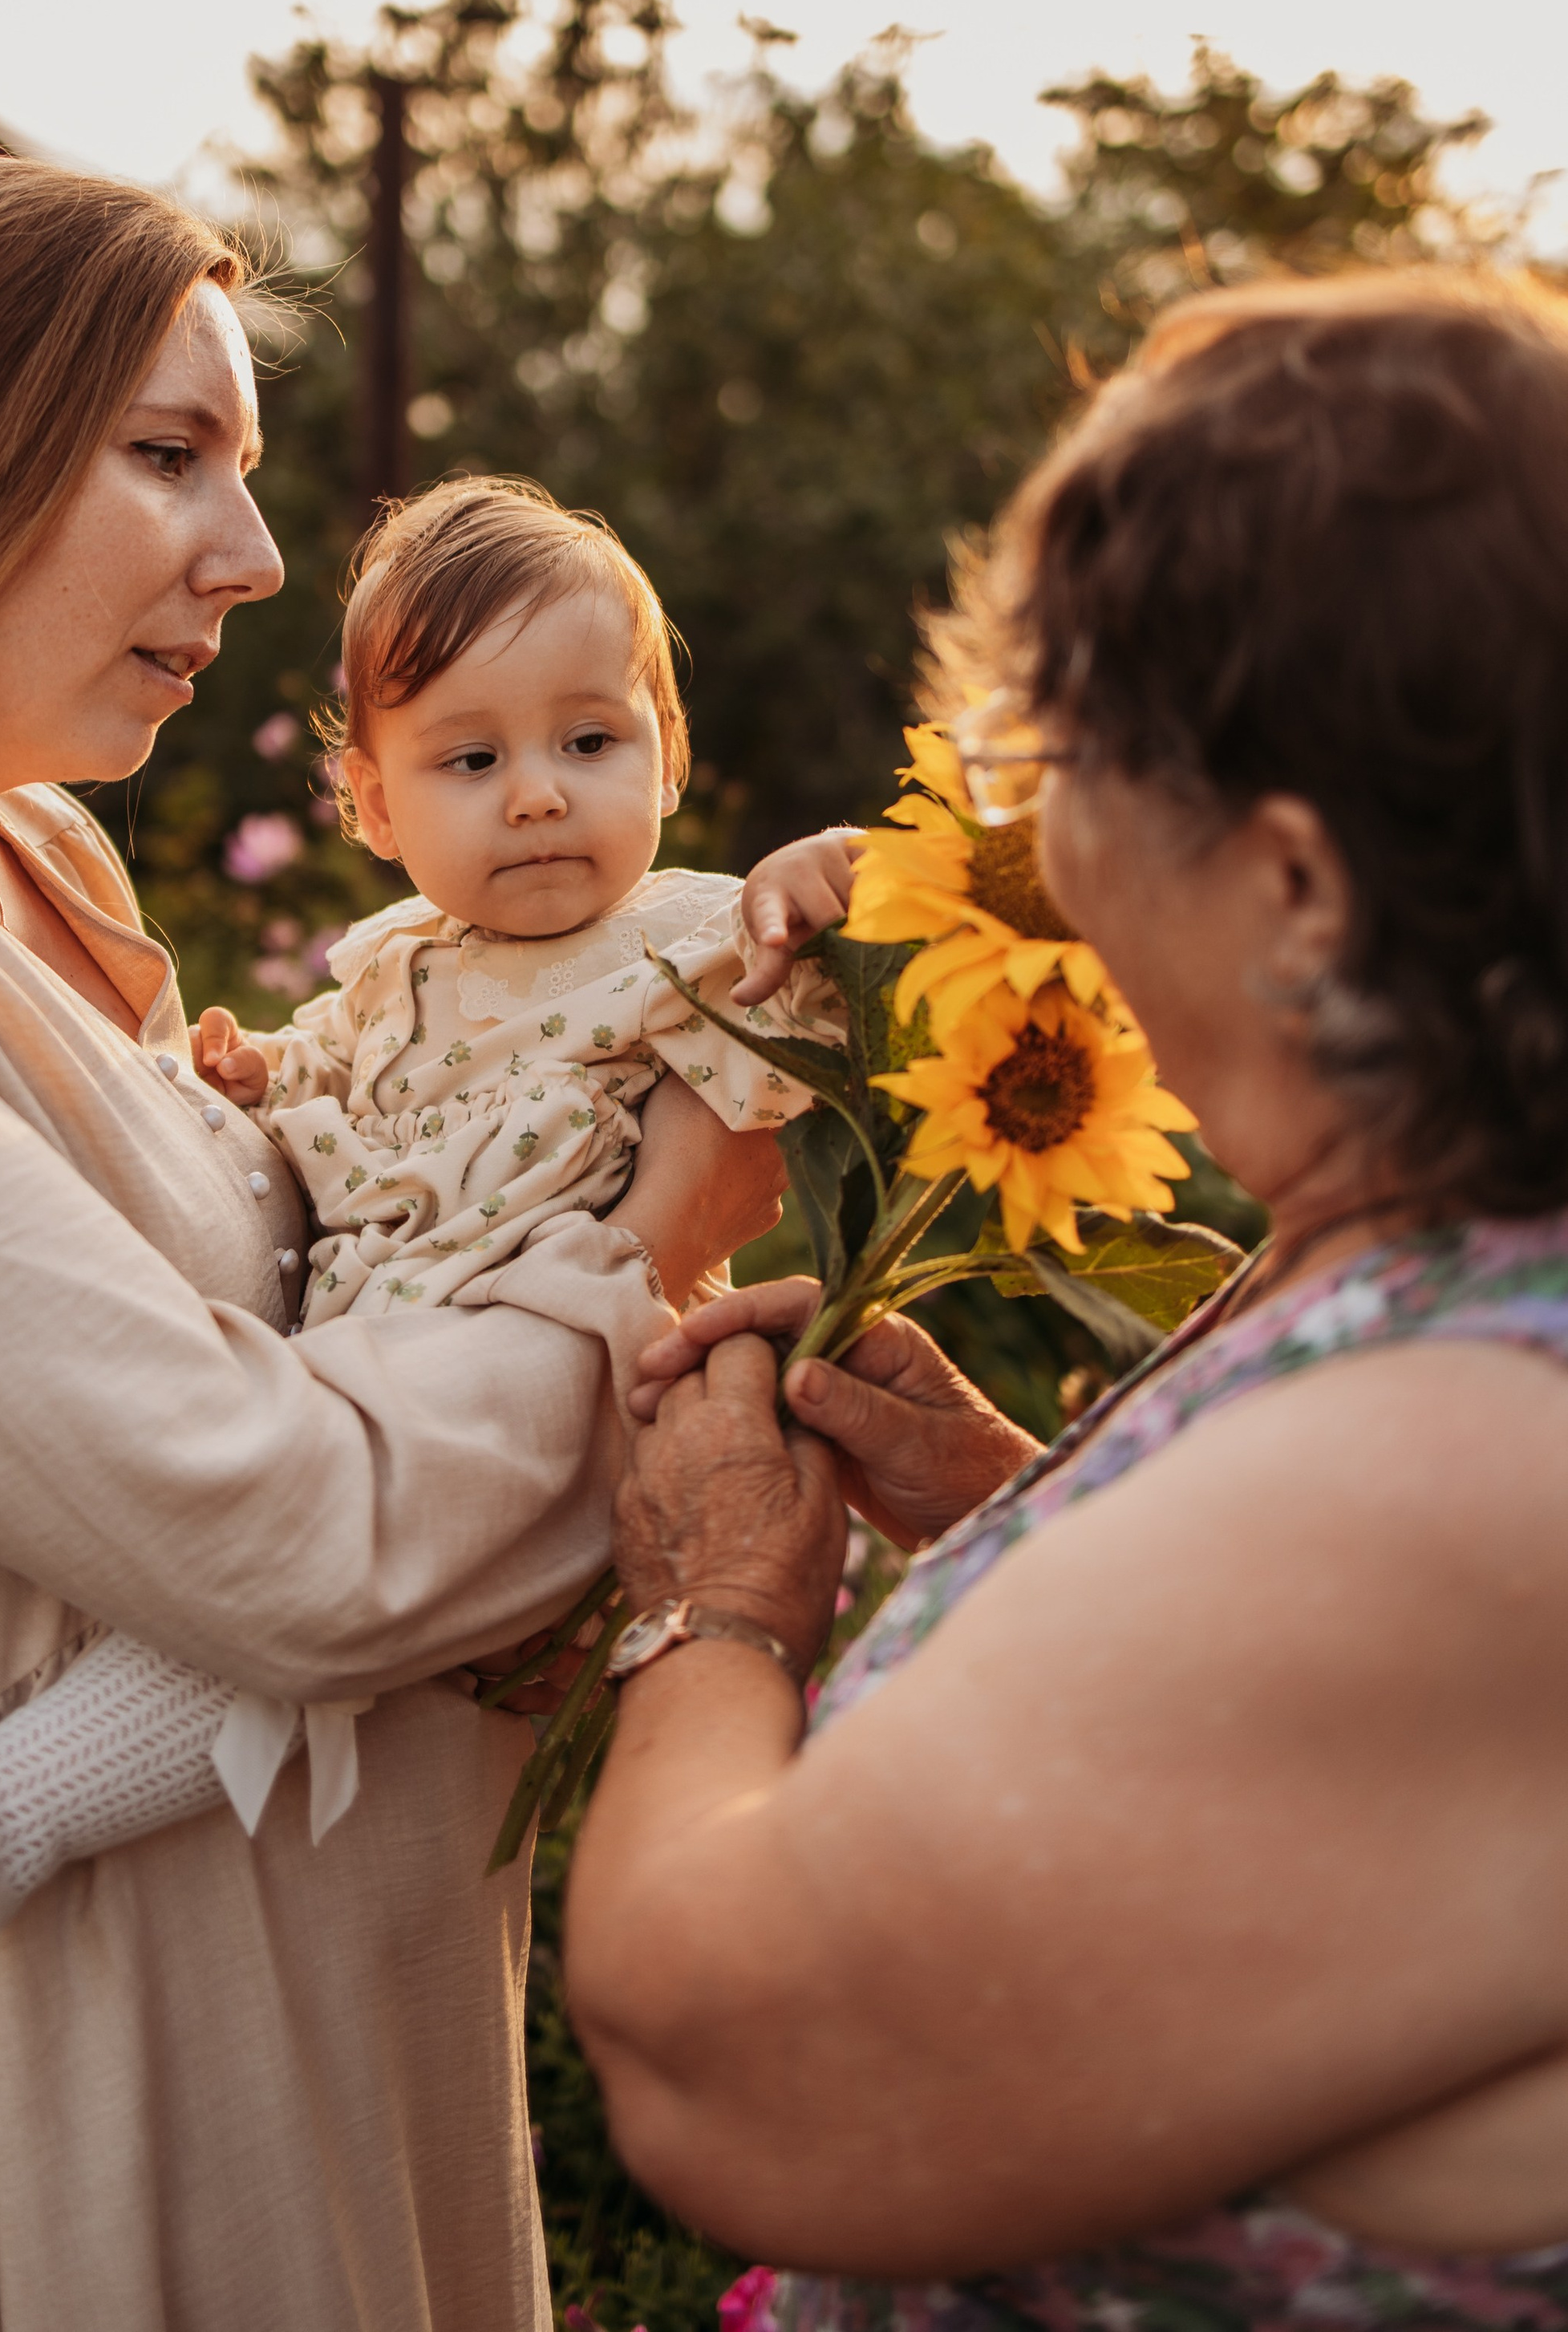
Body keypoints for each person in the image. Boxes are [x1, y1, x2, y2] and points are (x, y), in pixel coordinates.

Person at [0, 155, 784, 2332]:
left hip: (292, 2036)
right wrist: (660, 1234)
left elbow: (317, 1307)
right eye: (171, 456)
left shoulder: (29, 862)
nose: (259, 556)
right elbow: (283, 1524)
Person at [564, 268, 1568, 2330]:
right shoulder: (1450, 1282)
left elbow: (727, 2056)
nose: (1037, 843)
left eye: (1070, 756)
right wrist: (1013, 1511)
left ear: (1292, 886)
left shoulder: (1465, 1454)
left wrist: (719, 1602)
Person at [0, 473, 860, 1954]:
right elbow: (328, 1090)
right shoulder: (399, 962)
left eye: (590, 740)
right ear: (373, 806)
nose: (540, 791)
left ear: (669, 757)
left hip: (570, 1357)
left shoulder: (688, 932)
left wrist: (819, 883)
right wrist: (247, 1076)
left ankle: (6, 1813)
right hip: (382, 1355)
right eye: (472, 758)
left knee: (291, 1582)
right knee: (264, 1584)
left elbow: (806, 1004)